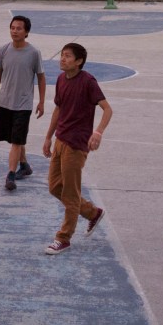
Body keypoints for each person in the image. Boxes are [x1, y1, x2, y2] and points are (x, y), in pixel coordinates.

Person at [41, 42, 112, 254]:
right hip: (61, 140)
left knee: (71, 193)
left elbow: (107, 109)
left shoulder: (88, 82)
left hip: (76, 144)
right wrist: (48, 137)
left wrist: (97, 132)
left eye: (68, 56)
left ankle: (63, 238)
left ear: (79, 61)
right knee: (55, 187)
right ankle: (92, 213)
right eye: (62, 55)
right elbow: (58, 109)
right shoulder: (62, 79)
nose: (62, 59)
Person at [0, 15, 46, 191]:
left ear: (26, 32)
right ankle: (24, 165)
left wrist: (41, 102)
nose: (15, 31)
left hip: (24, 104)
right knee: (15, 139)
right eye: (12, 28)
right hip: (5, 102)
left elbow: (41, 78)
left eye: (19, 28)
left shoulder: (34, 53)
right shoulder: (2, 51)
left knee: (16, 140)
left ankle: (11, 175)